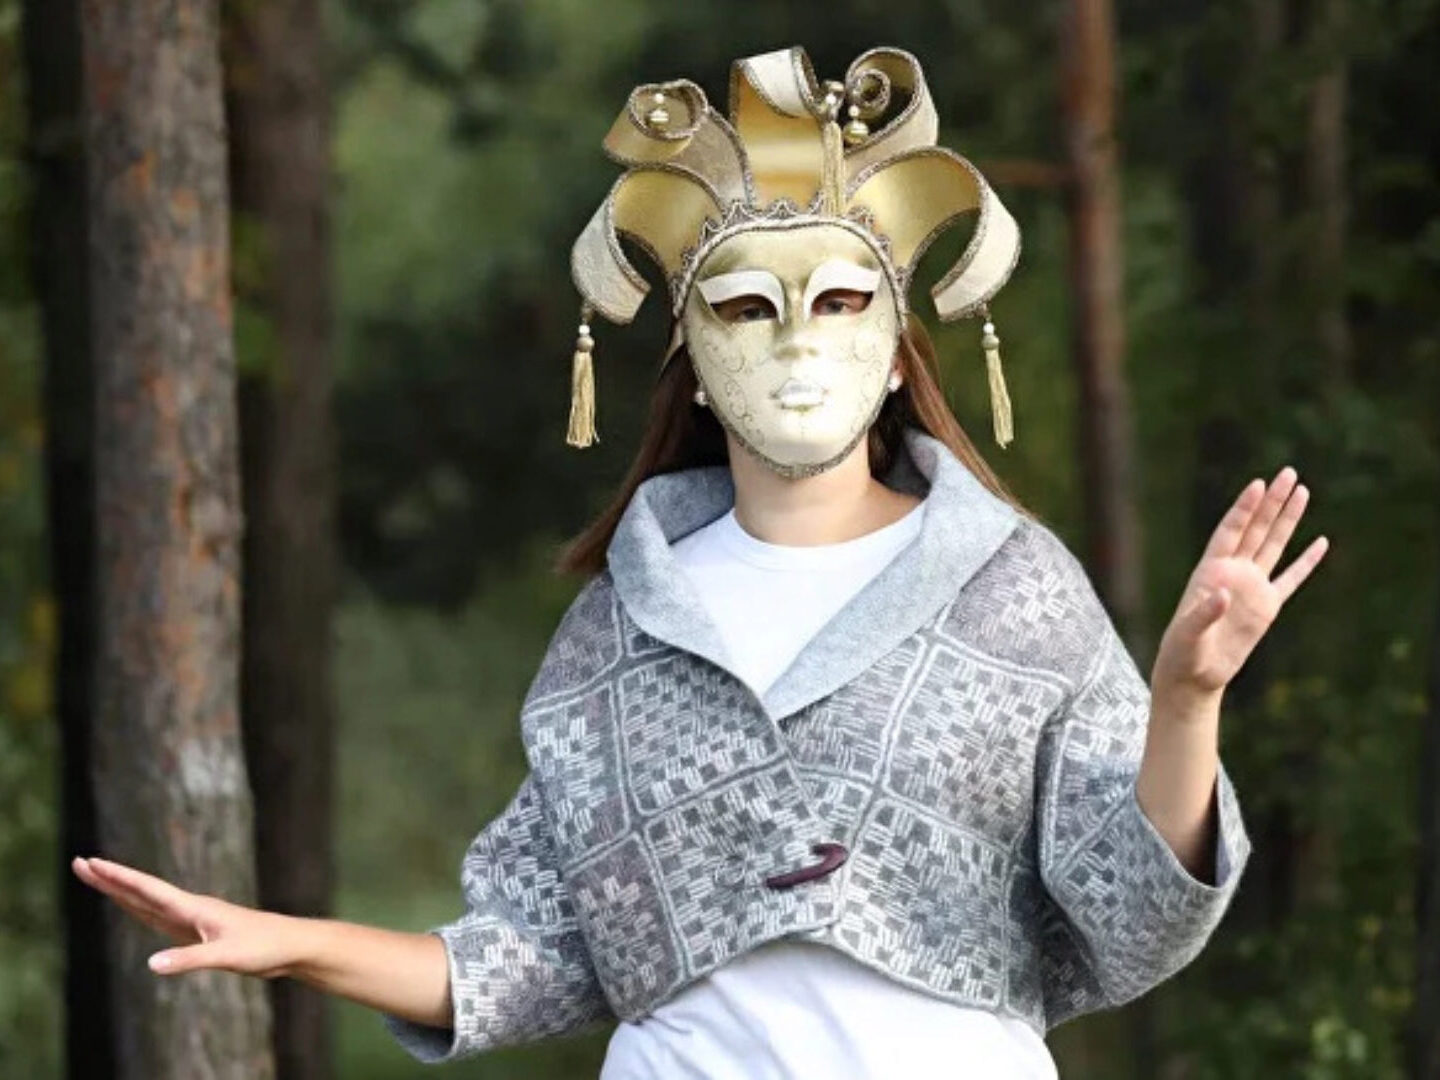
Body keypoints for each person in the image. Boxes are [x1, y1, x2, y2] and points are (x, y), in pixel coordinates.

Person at [73, 44, 1330, 1079]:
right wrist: (290, 944)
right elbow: (532, 950)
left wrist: (1187, 699)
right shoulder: (620, 627)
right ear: (693, 364)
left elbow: (1135, 912)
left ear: (903, 351)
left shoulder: (1012, 588)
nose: (797, 343)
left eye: (842, 301)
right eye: (746, 306)